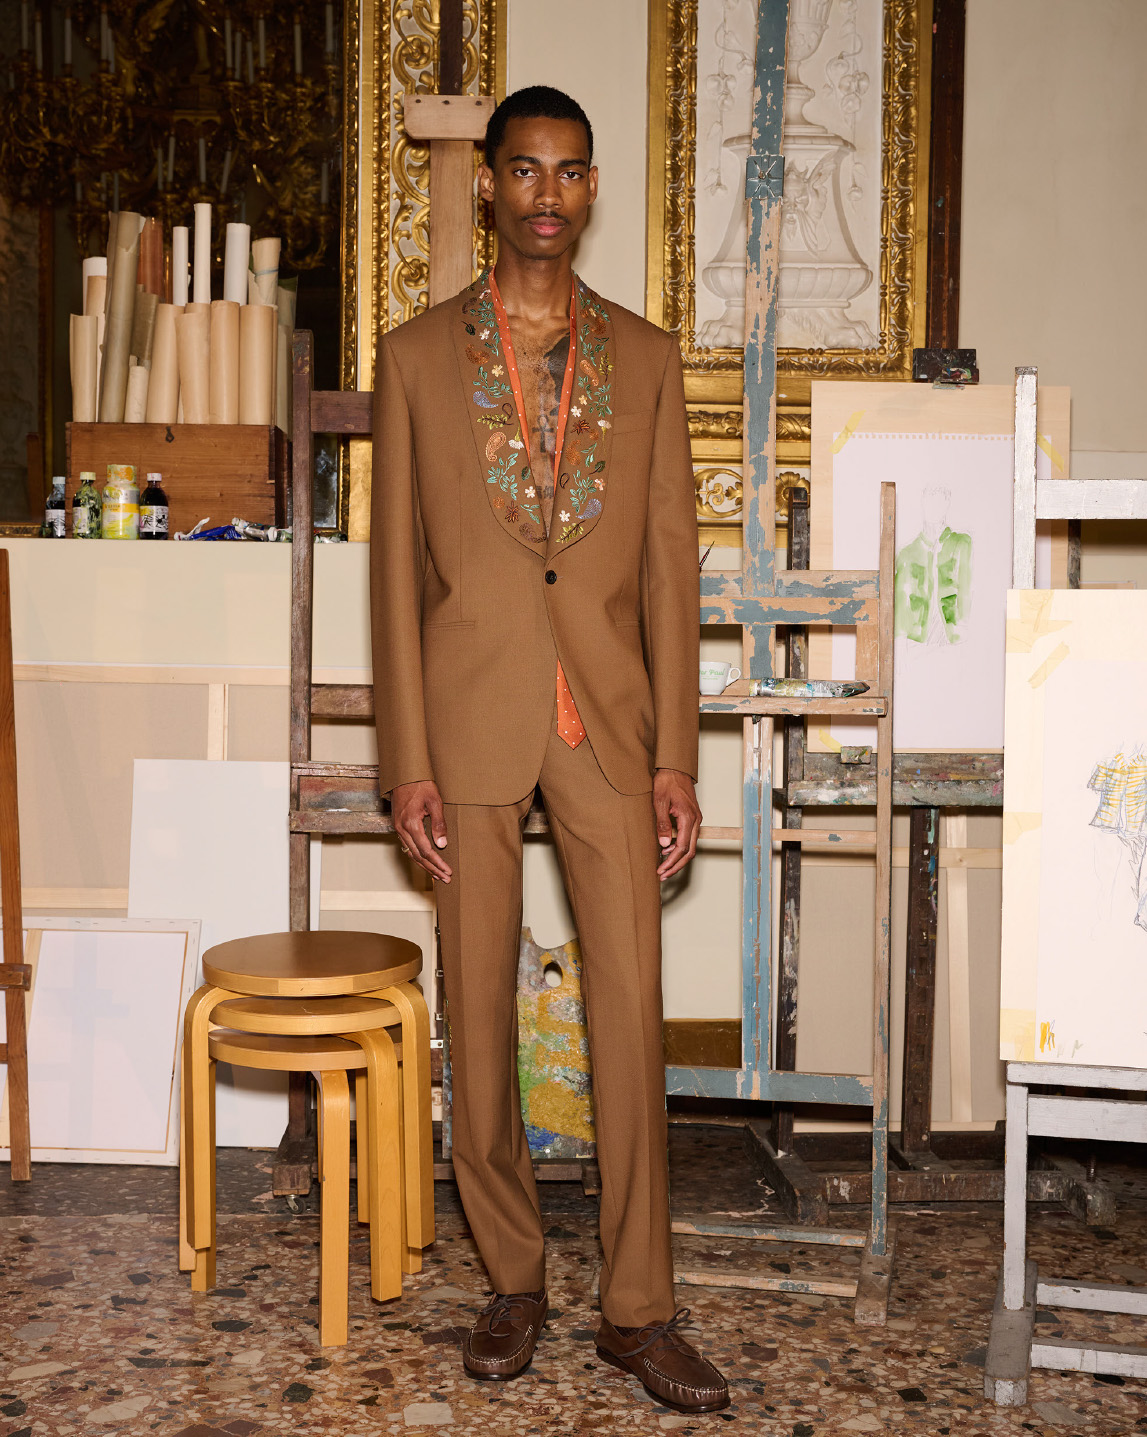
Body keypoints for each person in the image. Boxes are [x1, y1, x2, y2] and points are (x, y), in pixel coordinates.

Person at [370, 83, 727, 1413]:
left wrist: (678, 753)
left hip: (611, 722)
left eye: (569, 172)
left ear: (590, 188)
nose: (546, 194)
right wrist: (406, 757)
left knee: (628, 1010)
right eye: (523, 169)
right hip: (468, 717)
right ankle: (513, 1278)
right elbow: (396, 575)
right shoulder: (415, 358)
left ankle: (640, 1309)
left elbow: (675, 568)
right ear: (490, 184)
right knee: (478, 1011)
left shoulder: (647, 356)